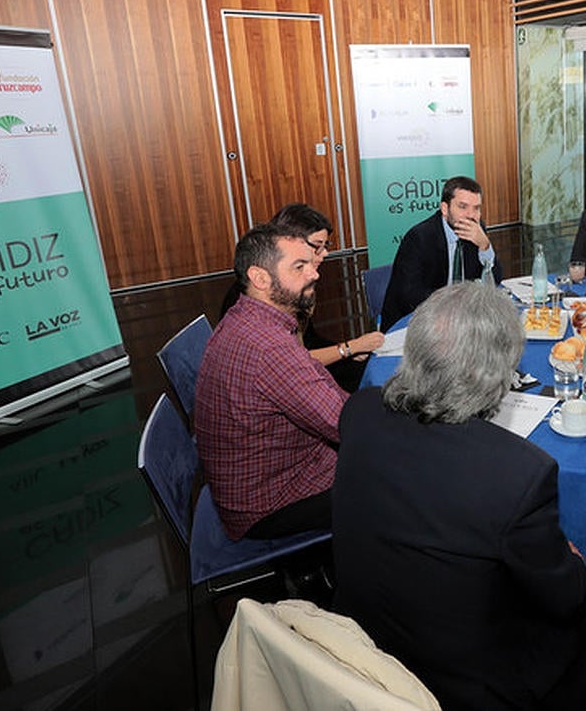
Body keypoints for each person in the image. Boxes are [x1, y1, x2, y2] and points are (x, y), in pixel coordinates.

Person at [333, 282, 586, 710]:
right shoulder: (518, 473)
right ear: (500, 377)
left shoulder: (360, 411)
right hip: (465, 685)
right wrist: (570, 564)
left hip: (361, 640)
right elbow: (566, 596)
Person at [195, 223, 347, 540]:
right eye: (299, 266)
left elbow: (320, 389)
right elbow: (343, 424)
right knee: (402, 478)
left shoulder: (246, 317)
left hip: (257, 484)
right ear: (260, 278)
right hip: (269, 506)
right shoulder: (269, 347)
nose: (314, 274)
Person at [220, 203, 383, 392]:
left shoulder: (290, 286)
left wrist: (348, 350)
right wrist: (348, 348)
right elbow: (294, 361)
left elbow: (309, 342)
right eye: (317, 246)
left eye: (325, 246)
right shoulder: (267, 300)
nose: (325, 254)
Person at [380, 175, 503, 328]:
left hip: (461, 319)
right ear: (445, 209)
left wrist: (485, 246)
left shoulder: (476, 230)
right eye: (463, 207)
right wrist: (453, 303)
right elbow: (409, 296)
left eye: (476, 208)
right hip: (418, 321)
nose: (471, 215)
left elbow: (495, 280)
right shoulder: (420, 237)